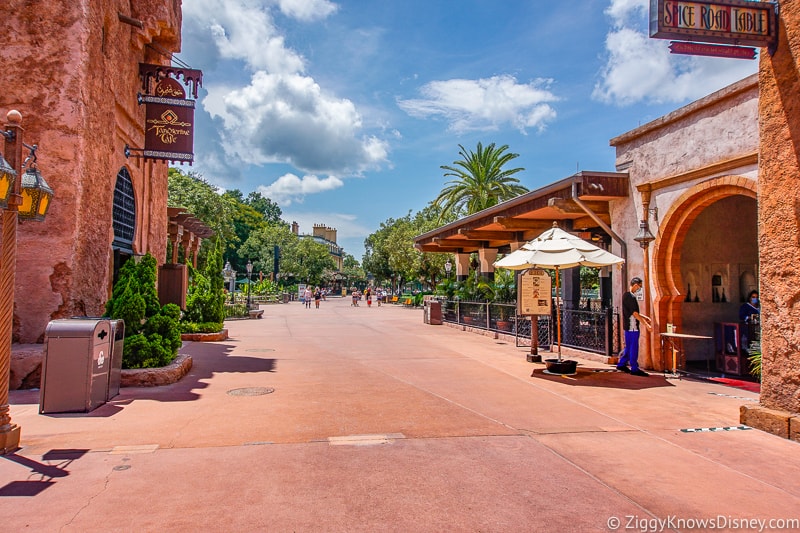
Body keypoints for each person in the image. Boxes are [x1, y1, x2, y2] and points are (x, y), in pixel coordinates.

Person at [616, 277, 652, 377]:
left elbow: (632, 312)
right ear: (635, 285)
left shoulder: (626, 296)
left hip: (628, 327)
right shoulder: (630, 297)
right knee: (633, 347)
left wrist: (644, 317)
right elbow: (635, 314)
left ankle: (622, 364)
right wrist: (646, 324)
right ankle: (634, 368)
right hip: (632, 327)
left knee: (628, 346)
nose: (639, 289)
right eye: (639, 287)